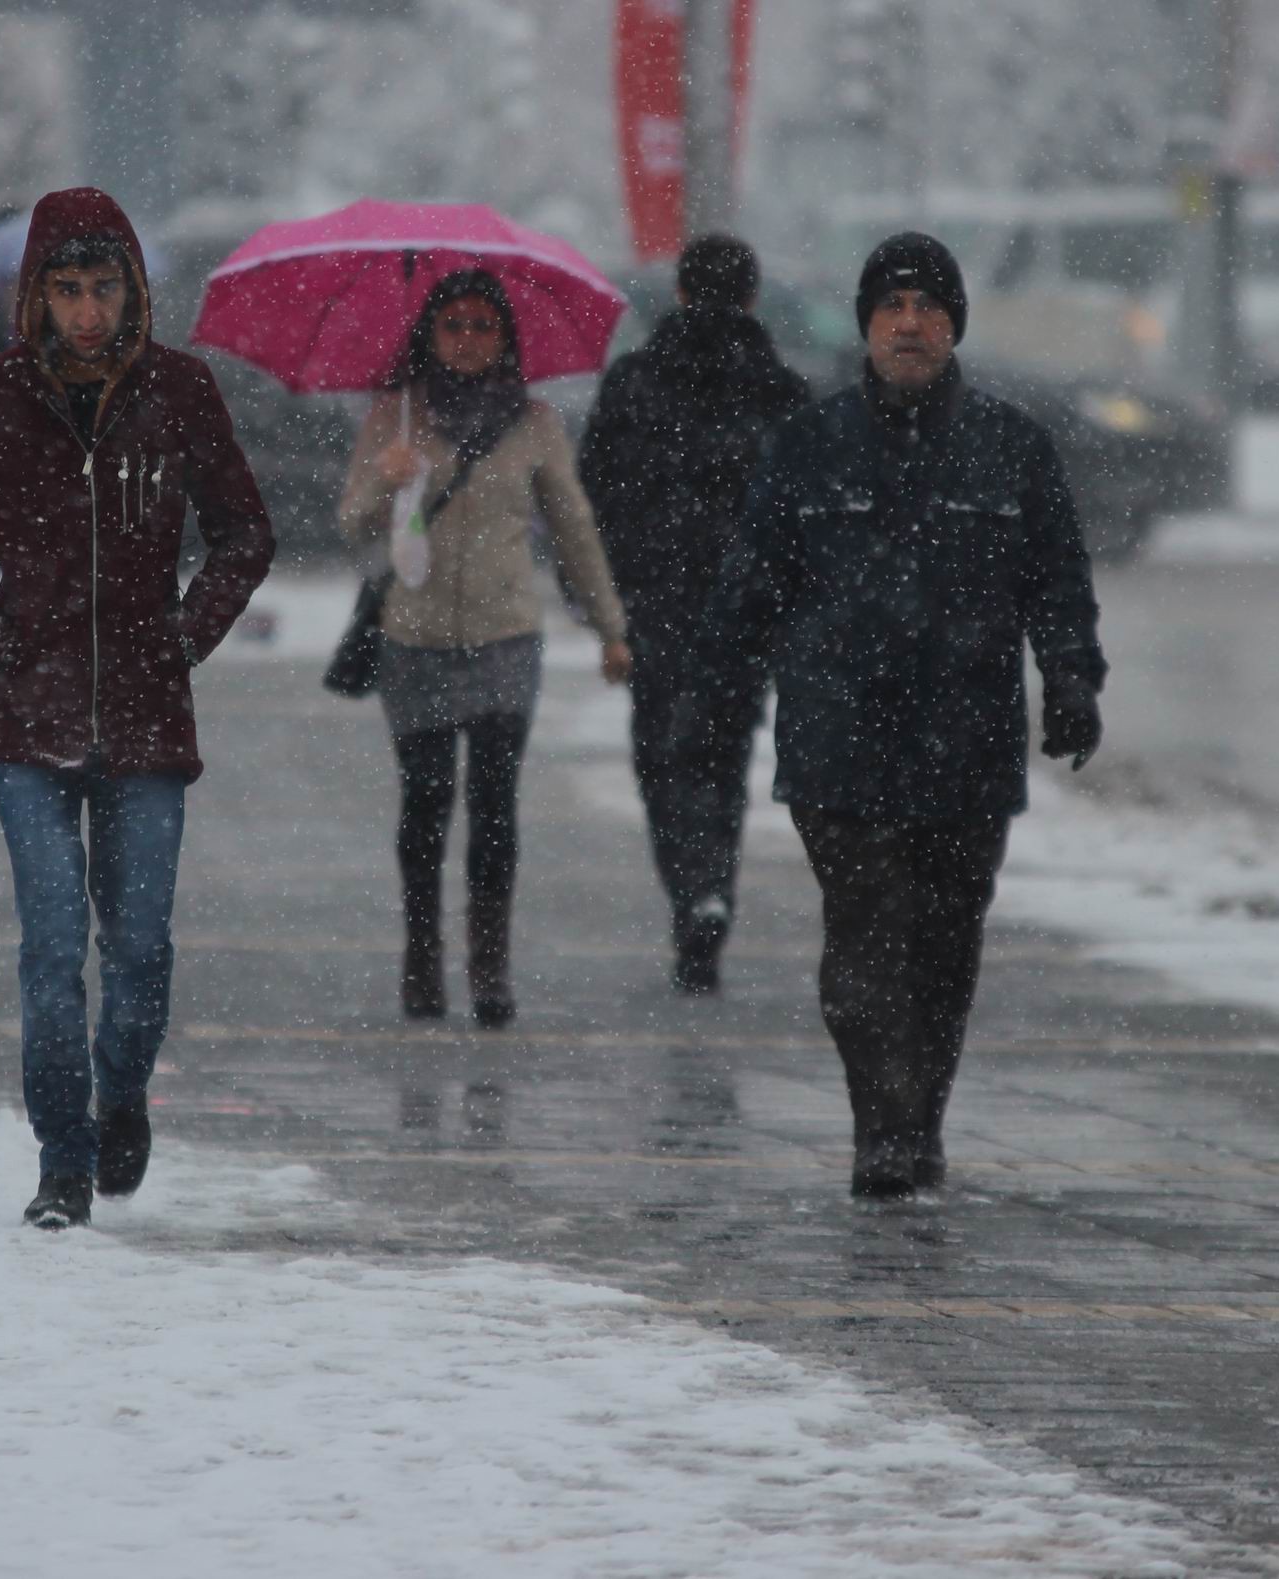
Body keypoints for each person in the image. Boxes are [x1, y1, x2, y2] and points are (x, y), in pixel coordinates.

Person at [692, 232, 1106, 1199]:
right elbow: (752, 583)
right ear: (866, 326)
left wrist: (1074, 679)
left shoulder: (1012, 446)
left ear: (954, 327)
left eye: (928, 308)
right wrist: (715, 694)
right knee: (866, 938)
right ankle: (880, 1122)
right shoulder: (807, 444)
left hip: (968, 741)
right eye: (892, 308)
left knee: (947, 940)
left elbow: (1057, 581)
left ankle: (920, 1118)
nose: (909, 324)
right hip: (841, 740)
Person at [0, 186, 277, 1230]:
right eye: (65, 289)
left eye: (101, 286)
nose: (84, 309)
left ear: (132, 290)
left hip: (148, 719)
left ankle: (123, 1092)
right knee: (51, 942)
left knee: (141, 943)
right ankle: (61, 1159)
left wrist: (184, 632)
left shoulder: (181, 393)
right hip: (30, 717)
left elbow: (244, 532)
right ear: (35, 295)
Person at [337, 269, 631, 1028]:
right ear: (429, 336)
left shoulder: (534, 422)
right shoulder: (395, 417)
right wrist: (384, 478)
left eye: (482, 326)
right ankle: (422, 954)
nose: (467, 341)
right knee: (427, 800)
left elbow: (574, 528)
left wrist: (610, 628)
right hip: (416, 638)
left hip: (506, 637)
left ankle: (490, 962)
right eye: (453, 326)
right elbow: (353, 524)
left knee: (495, 806)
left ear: (505, 338)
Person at [579, 234, 811, 993]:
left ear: (678, 293)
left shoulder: (634, 383)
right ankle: (711, 890)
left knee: (663, 756)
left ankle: (689, 889)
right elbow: (807, 510)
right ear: (751, 296)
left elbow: (592, 498)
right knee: (724, 754)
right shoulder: (781, 390)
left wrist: (604, 597)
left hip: (655, 599)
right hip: (746, 607)